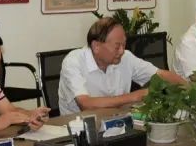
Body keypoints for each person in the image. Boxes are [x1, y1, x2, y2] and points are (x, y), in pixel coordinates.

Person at [58, 16, 186, 115]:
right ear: (96, 46)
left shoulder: (125, 57)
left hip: (117, 124)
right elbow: (86, 104)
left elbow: (160, 75)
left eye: (124, 45)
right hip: (77, 132)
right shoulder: (73, 62)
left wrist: (190, 88)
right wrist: (134, 96)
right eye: (117, 46)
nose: (121, 51)